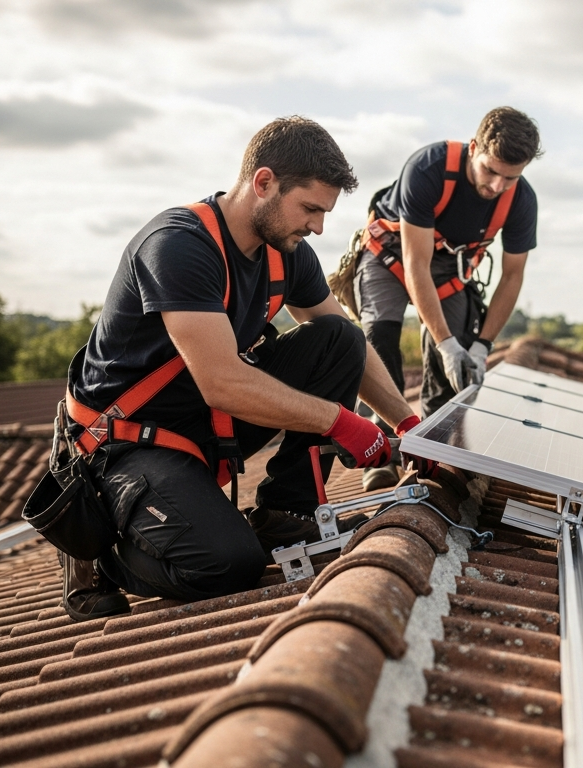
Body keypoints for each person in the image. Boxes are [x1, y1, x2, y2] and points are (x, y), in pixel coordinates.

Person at [60, 116, 433, 621]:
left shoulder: (285, 251)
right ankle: (98, 547)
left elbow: (353, 345)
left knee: (339, 339)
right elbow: (222, 382)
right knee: (228, 565)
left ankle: (288, 511)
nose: (318, 227)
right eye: (310, 209)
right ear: (263, 183)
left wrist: (408, 425)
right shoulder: (179, 245)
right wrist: (340, 422)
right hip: (127, 440)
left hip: (205, 424)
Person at [350, 107, 540, 489]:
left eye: (511, 177)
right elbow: (414, 264)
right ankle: (380, 452)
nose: (497, 186)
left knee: (454, 362)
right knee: (380, 340)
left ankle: (432, 449)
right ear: (474, 148)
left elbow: (513, 275)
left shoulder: (520, 200)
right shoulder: (429, 169)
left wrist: (481, 346)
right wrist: (447, 343)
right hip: (390, 254)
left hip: (449, 269)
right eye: (490, 171)